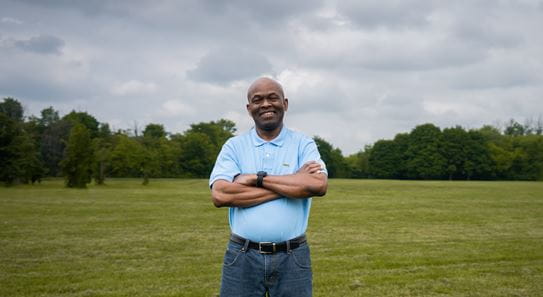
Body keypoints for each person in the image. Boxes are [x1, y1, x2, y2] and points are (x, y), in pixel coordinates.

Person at [209, 77, 328, 296]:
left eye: (273, 98)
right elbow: (220, 194)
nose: (265, 104)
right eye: (258, 100)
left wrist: (256, 179)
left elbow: (317, 184)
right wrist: (292, 182)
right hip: (242, 255)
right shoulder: (234, 146)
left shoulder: (303, 143)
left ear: (285, 103)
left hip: (293, 256)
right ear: (249, 108)